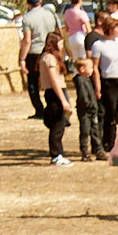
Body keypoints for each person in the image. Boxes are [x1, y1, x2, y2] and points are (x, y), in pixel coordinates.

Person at [91, 11, 118, 161]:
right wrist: (97, 87)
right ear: (109, 29)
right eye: (116, 28)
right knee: (110, 115)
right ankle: (108, 143)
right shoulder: (99, 45)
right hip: (109, 82)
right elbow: (95, 67)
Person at [37, 30, 73, 166]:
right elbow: (54, 81)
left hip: (57, 91)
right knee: (57, 126)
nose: (62, 44)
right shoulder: (49, 59)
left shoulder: (52, 57)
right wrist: (63, 100)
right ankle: (56, 155)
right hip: (54, 92)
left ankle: (57, 154)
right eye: (59, 42)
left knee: (59, 124)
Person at [19, 0, 56, 119]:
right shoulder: (50, 14)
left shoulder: (27, 18)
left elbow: (27, 40)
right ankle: (55, 108)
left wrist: (22, 58)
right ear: (40, 2)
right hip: (51, 50)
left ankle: (39, 110)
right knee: (52, 81)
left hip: (35, 52)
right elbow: (58, 32)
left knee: (33, 83)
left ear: (28, 4)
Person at [71, 28, 102, 160]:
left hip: (92, 109)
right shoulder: (80, 80)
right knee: (85, 131)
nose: (91, 70)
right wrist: (90, 105)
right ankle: (85, 152)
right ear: (82, 69)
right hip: (85, 111)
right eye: (89, 67)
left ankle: (98, 150)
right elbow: (83, 97)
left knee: (95, 130)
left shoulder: (87, 80)